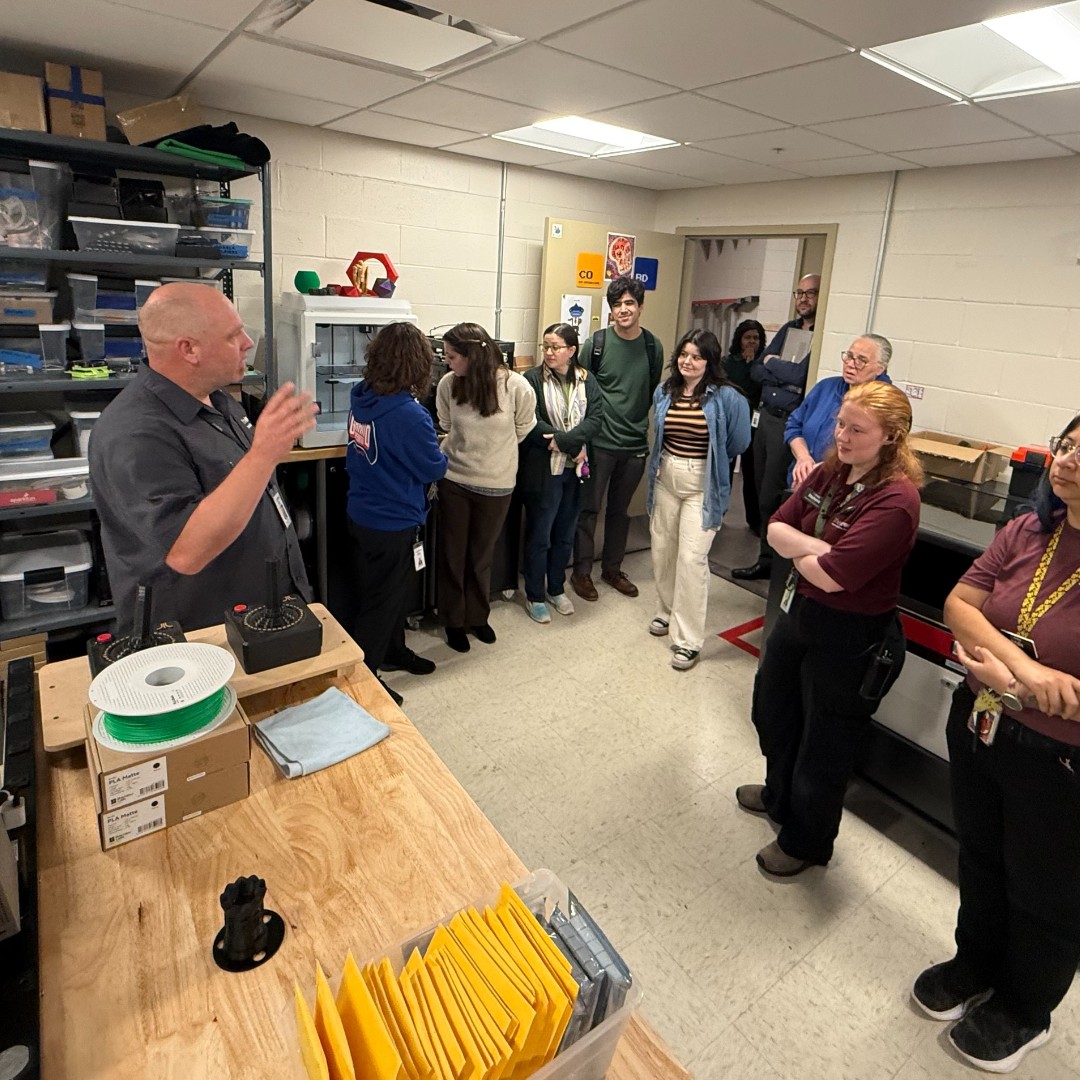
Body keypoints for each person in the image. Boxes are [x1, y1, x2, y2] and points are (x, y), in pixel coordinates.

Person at [910, 415, 1080, 1074]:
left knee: (1047, 890)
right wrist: (1026, 676)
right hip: (983, 720)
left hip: (1060, 760)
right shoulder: (1029, 530)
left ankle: (1025, 1008)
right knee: (980, 856)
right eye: (1067, 444)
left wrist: (1015, 676)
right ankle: (975, 963)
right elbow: (961, 604)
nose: (1068, 459)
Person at [737, 381, 922, 876]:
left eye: (857, 430)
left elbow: (834, 578)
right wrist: (818, 549)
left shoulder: (896, 500)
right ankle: (778, 796)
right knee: (774, 709)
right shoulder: (830, 472)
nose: (842, 436)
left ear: (891, 436)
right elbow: (776, 526)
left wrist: (806, 551)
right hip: (801, 613)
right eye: (841, 424)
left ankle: (806, 841)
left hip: (850, 634)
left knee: (824, 745)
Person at [90, 282, 316, 632]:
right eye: (233, 335)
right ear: (189, 349)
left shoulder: (219, 400)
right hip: (200, 636)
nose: (248, 343)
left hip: (259, 613)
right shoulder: (134, 432)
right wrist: (262, 455)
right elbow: (186, 552)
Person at [345, 322, 447, 707]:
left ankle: (394, 650)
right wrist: (442, 449)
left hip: (362, 511)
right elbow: (433, 467)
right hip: (392, 520)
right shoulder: (409, 415)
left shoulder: (363, 396)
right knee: (380, 603)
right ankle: (366, 677)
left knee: (387, 594)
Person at [647, 329, 751, 670]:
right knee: (663, 550)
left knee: (692, 559)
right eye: (684, 354)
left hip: (703, 483)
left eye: (696, 357)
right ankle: (666, 610)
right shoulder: (665, 391)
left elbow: (738, 442)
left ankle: (688, 640)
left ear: (710, 361)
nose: (687, 362)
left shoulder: (728, 397)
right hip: (666, 476)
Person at [436, 322, 535, 652]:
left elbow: (523, 428)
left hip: (496, 484)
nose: (447, 361)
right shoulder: (449, 384)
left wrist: (494, 455)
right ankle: (453, 621)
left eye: (452, 356)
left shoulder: (516, 386)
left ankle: (477, 617)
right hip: (454, 480)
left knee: (480, 556)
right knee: (452, 556)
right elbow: (445, 425)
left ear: (472, 356)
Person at [571, 276, 664, 602]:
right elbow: (580, 391)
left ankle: (612, 569)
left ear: (640, 307)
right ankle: (581, 572)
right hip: (599, 444)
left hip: (635, 444)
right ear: (611, 310)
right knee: (588, 510)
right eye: (617, 304)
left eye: (629, 303)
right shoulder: (596, 344)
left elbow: (649, 390)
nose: (623, 310)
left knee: (620, 512)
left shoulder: (652, 346)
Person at [733, 273, 820, 581]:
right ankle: (765, 556)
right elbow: (757, 370)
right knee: (758, 488)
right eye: (799, 292)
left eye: (810, 293)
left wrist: (773, 364)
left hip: (788, 423)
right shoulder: (789, 329)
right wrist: (777, 369)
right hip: (765, 417)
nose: (803, 298)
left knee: (772, 494)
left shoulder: (822, 333)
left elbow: (799, 376)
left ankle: (772, 561)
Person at [518, 323, 603, 624]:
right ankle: (535, 594)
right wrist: (569, 444)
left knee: (565, 533)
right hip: (545, 469)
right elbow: (531, 421)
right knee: (540, 534)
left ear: (572, 350)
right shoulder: (531, 379)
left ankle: (556, 588)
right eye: (546, 347)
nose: (549, 352)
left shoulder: (586, 379)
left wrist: (569, 443)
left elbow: (595, 418)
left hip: (576, 469)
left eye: (556, 347)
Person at [786, 334, 893, 486]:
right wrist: (803, 458)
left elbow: (878, 454)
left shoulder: (887, 403)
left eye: (861, 360)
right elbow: (794, 425)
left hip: (843, 486)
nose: (850, 364)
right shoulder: (825, 387)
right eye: (849, 356)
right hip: (803, 480)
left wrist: (823, 470)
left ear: (880, 368)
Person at [722, 319, 766, 533]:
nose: (751, 342)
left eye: (756, 338)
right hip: (730, 422)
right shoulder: (728, 363)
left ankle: (755, 520)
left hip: (754, 424)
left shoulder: (765, 365)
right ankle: (718, 513)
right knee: (725, 471)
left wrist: (754, 365)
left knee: (752, 473)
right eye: (747, 337)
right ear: (739, 339)